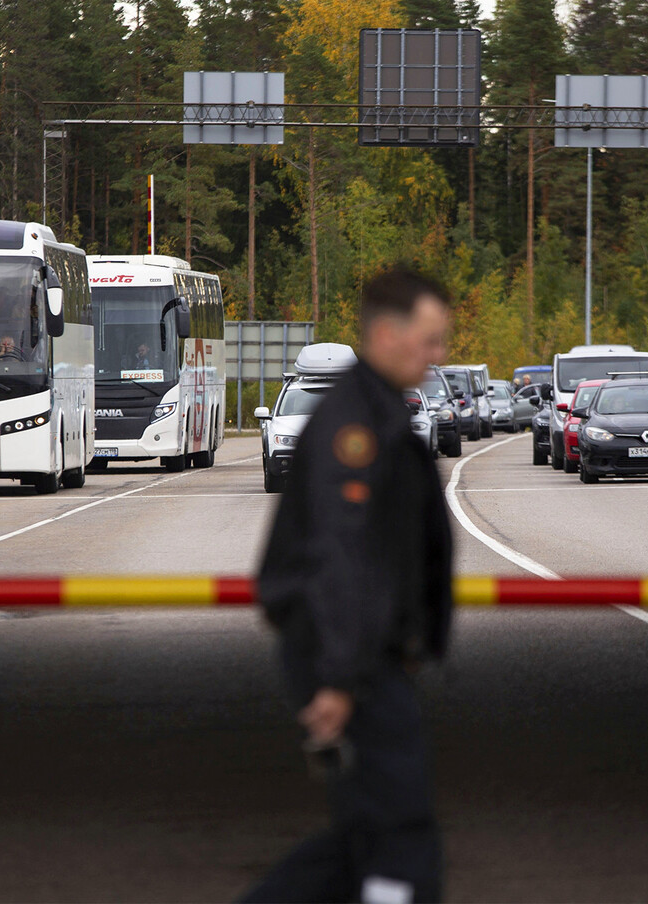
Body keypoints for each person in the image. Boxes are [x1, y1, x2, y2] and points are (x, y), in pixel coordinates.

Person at [245, 268, 455, 904]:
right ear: (387, 335)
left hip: (360, 653)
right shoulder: (354, 428)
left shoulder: (379, 409)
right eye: (431, 339)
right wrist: (338, 678)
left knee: (364, 837)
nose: (439, 355)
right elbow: (341, 555)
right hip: (348, 658)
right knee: (403, 835)